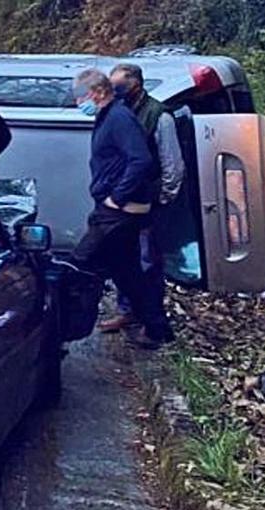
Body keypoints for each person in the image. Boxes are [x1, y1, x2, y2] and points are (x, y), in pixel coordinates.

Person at [69, 68, 172, 349]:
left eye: (81, 96)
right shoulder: (110, 116)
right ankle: (154, 327)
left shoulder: (118, 118)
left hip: (119, 211)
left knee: (81, 261)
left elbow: (140, 159)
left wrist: (118, 196)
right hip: (118, 207)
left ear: (98, 92)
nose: (78, 103)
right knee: (126, 271)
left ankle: (64, 323)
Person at [98, 63, 187, 336]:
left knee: (148, 263)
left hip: (148, 201)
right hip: (123, 201)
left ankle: (154, 325)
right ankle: (128, 311)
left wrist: (162, 198)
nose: (114, 91)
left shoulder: (159, 116)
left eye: (119, 85)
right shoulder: (118, 112)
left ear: (135, 84)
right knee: (124, 259)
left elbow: (172, 164)